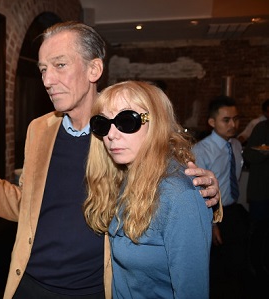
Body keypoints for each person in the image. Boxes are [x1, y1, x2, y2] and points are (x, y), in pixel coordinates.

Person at [0, 21, 221, 299]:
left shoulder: (120, 131)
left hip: (94, 289)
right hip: (30, 282)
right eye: (43, 69)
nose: (47, 80)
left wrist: (210, 194)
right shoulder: (39, 129)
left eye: (60, 65)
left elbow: (165, 179)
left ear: (94, 69)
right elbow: (27, 206)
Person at [83, 80, 213, 298]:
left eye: (126, 121)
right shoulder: (122, 176)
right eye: (102, 124)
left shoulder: (178, 195)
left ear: (156, 123)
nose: (111, 135)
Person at [192, 95, 249, 296]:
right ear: (212, 122)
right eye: (226, 120)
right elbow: (198, 191)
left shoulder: (235, 145)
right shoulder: (201, 150)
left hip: (232, 210)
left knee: (238, 264)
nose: (233, 124)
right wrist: (212, 223)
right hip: (212, 214)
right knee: (216, 269)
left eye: (236, 119)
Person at [242, 118, 269, 280]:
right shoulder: (262, 128)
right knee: (258, 231)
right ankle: (255, 266)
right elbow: (250, 155)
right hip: (261, 191)